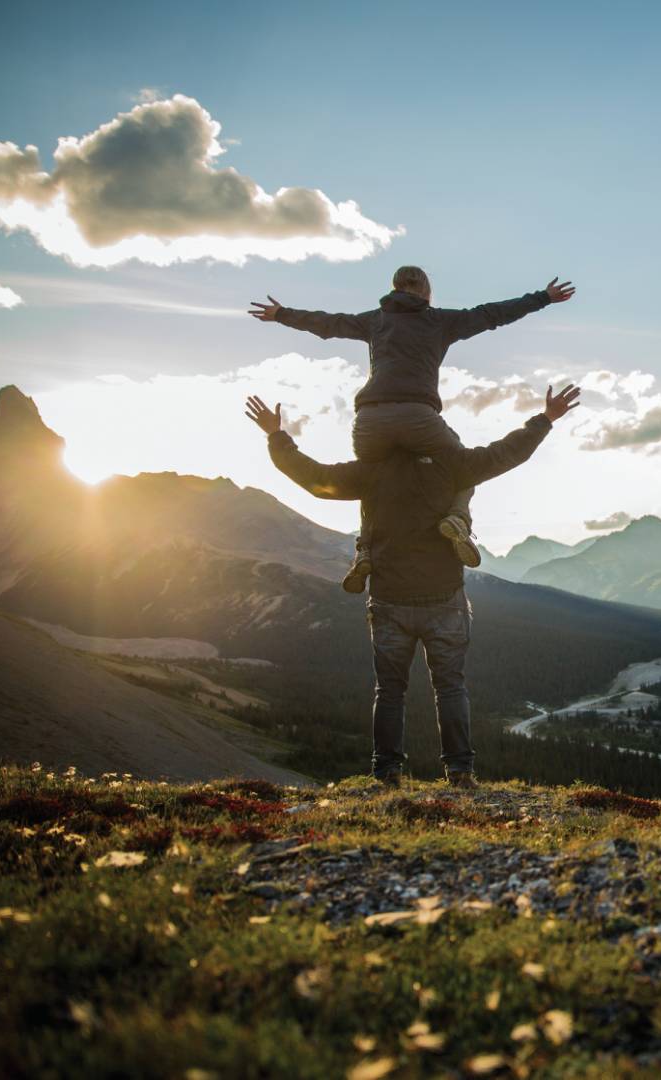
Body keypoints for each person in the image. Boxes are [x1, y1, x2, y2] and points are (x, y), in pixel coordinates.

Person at [243, 384, 582, 787]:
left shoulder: (369, 472)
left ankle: (386, 773)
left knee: (389, 691)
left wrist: (276, 435)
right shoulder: (451, 465)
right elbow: (507, 453)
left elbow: (314, 479)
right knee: (450, 688)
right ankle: (460, 772)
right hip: (444, 599)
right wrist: (544, 419)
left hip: (388, 600)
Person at [249, 266, 575, 591]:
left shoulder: (374, 321)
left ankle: (365, 549)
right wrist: (543, 298)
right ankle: (458, 519)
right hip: (419, 417)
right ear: (427, 292)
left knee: (372, 478)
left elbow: (328, 324)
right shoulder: (439, 321)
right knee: (464, 467)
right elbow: (492, 314)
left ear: (393, 289)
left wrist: (281, 314)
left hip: (370, 423)